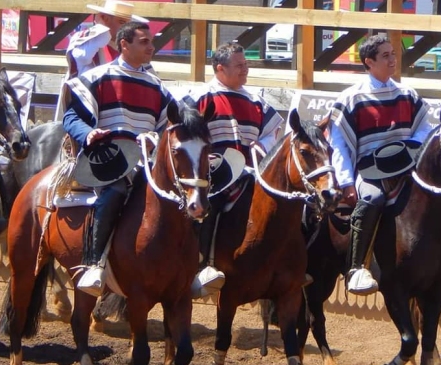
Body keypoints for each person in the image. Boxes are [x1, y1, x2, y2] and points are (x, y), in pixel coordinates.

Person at [63, 21, 173, 297]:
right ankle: (94, 264)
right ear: (124, 44)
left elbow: (168, 125)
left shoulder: (158, 86)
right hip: (107, 159)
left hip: (145, 163)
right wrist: (88, 133)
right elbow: (71, 117)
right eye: (144, 41)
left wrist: (157, 138)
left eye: (151, 41)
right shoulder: (98, 77)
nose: (152, 46)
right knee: (116, 191)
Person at [328, 35, 435, 296]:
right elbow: (338, 145)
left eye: (393, 54)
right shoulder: (350, 98)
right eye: (385, 55)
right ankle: (356, 269)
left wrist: (409, 146)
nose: (392, 60)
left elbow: (425, 129)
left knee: (438, 194)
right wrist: (346, 182)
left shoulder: (407, 94)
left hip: (406, 166)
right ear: (369, 62)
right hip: (369, 169)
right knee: (373, 199)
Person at [184, 42, 285, 299]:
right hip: (213, 174)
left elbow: (274, 131)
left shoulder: (256, 101)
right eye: (239, 65)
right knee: (211, 205)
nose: (245, 69)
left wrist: (261, 145)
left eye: (246, 64)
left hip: (251, 172)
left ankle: (285, 266)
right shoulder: (199, 96)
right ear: (220, 68)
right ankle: (204, 265)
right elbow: (182, 130)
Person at [54, 0, 151, 121]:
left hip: (119, 108)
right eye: (122, 23)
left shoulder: (129, 46)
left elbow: (148, 75)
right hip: (86, 106)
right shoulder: (86, 40)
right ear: (104, 18)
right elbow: (83, 57)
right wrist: (102, 29)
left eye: (128, 24)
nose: (126, 29)